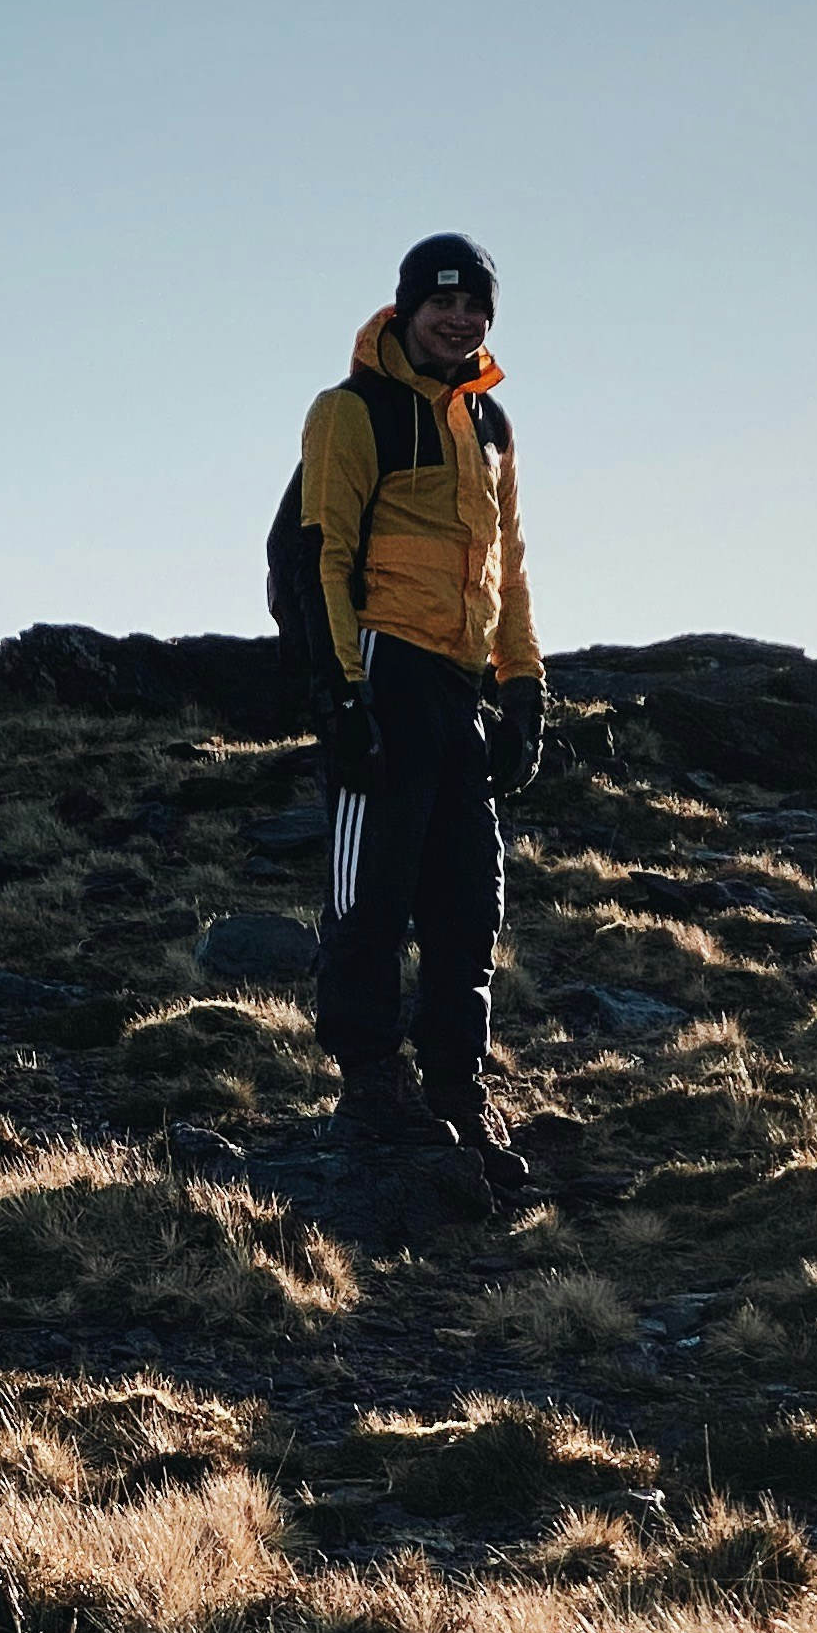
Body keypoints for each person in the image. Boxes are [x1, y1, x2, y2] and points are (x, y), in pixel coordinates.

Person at [293, 233, 546, 1198]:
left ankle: (455, 1097)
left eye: (474, 304)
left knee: (466, 906)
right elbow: (323, 551)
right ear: (405, 308)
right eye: (440, 302)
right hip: (382, 673)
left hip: (459, 692)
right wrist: (342, 698)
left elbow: (507, 570)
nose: (458, 318)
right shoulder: (350, 412)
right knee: (370, 897)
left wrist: (523, 687)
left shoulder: (490, 427)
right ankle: (369, 1092)